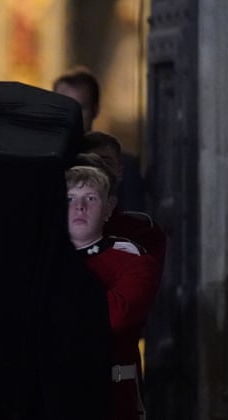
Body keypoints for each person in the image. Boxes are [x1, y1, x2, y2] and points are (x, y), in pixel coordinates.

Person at [66, 165, 160, 420]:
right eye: (70, 198)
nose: (80, 207)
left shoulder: (134, 262)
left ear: (108, 208)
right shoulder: (39, 263)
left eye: (91, 198)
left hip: (112, 397)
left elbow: (114, 317)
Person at [54, 66, 145, 212]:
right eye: (63, 107)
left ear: (95, 110)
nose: (71, 116)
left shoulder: (124, 167)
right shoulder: (42, 165)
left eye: (80, 108)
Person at [79, 132, 167, 265]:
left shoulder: (143, 233)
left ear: (120, 171)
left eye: (106, 163)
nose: (99, 170)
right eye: (91, 163)